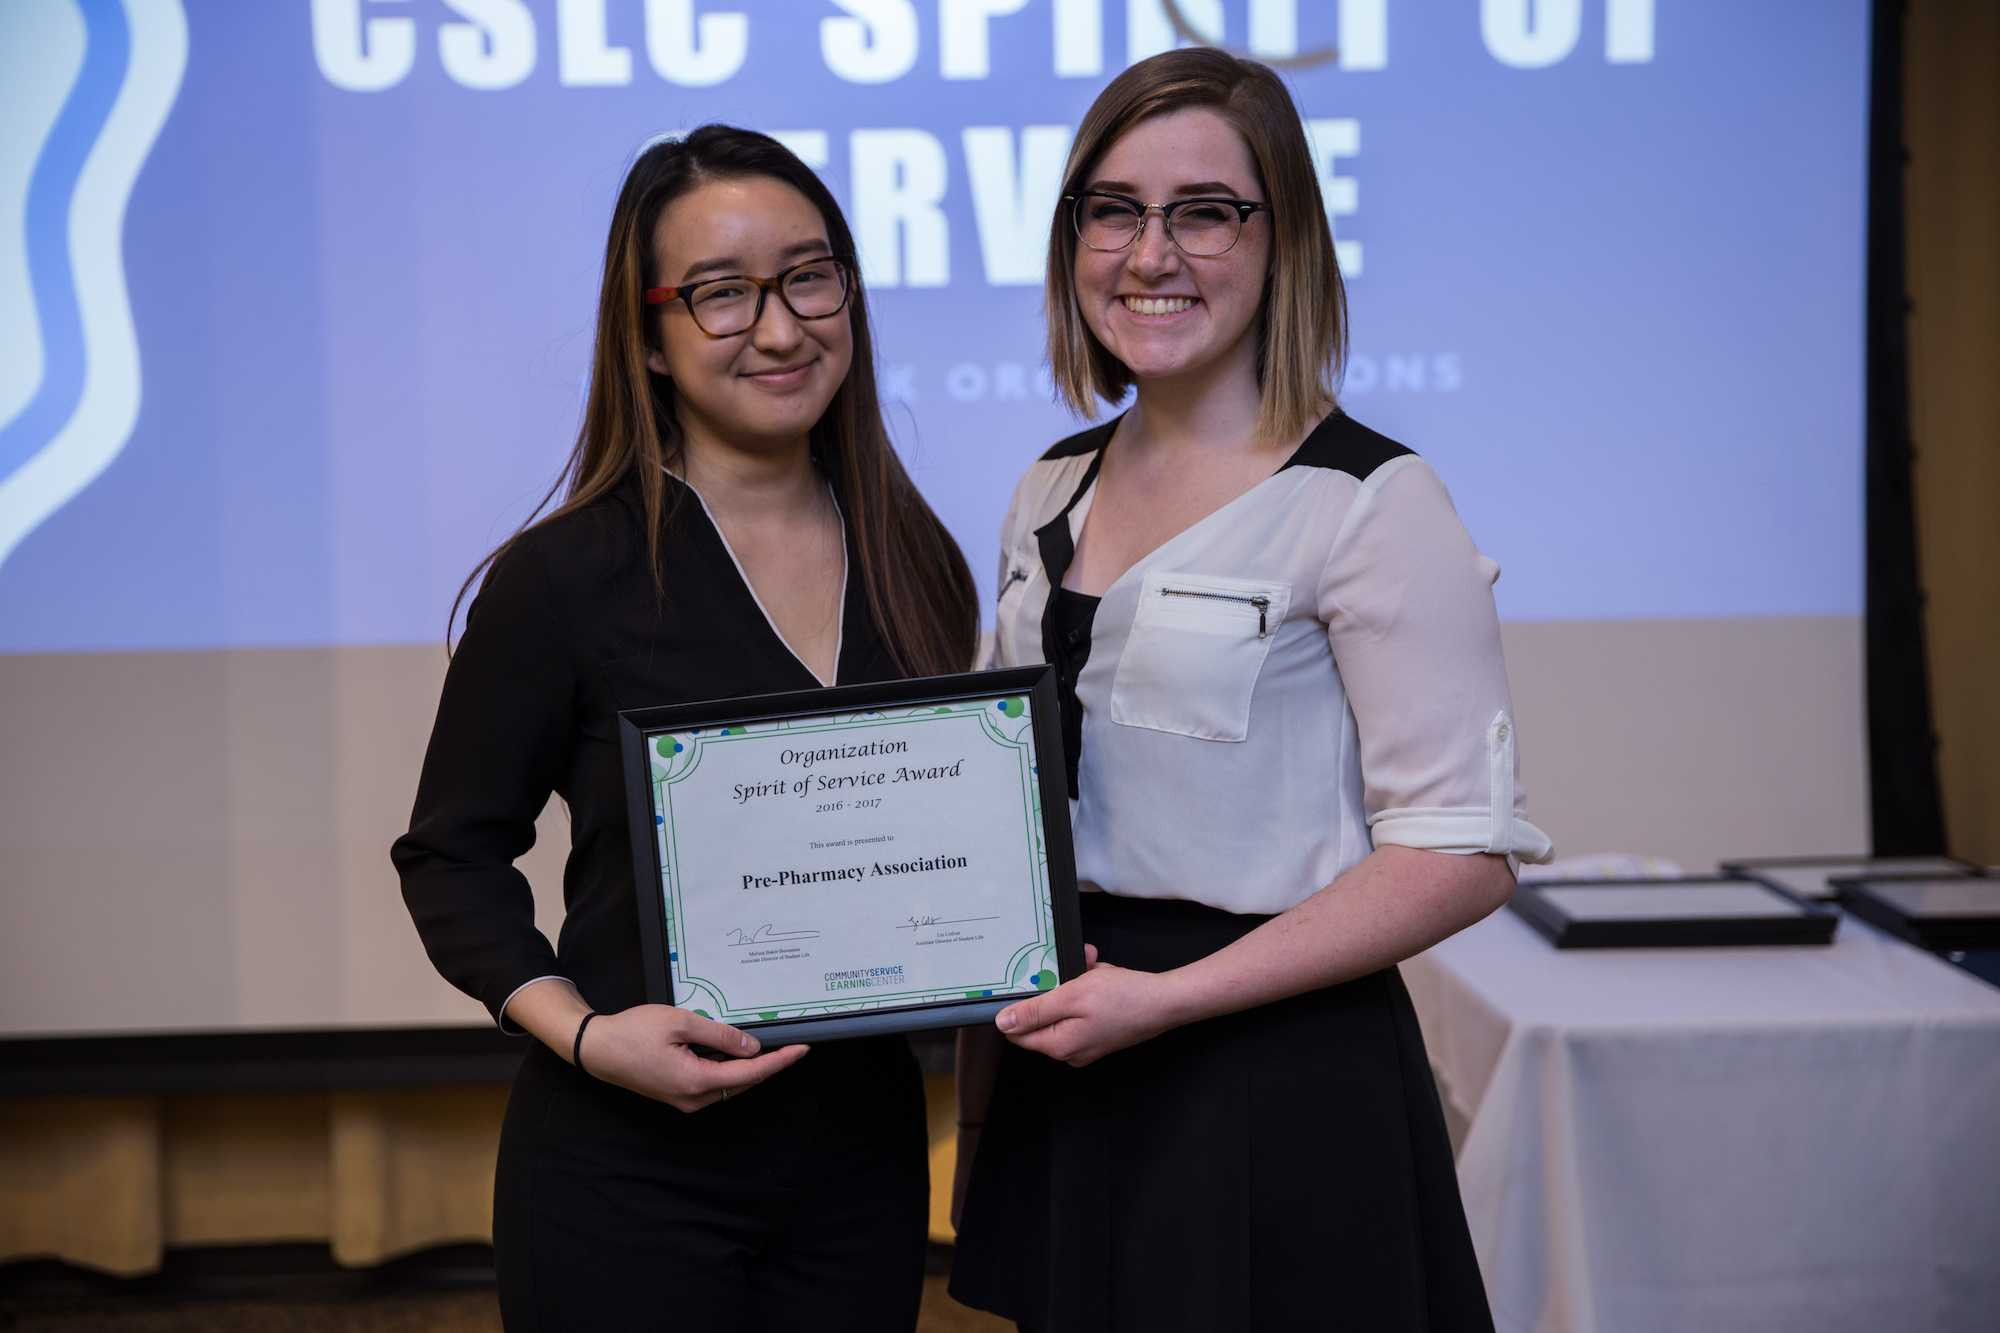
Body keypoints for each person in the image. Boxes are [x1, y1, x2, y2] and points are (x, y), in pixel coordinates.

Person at [948, 49, 1553, 1332]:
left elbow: (1460, 852)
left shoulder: (1373, 503)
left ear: (1282, 240)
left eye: (1203, 211)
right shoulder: (1045, 487)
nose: (1149, 253)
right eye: (1111, 210)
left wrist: (1168, 1001)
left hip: (1269, 1074)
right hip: (1071, 1051)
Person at [392, 125, 977, 1332]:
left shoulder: (918, 559)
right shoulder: (565, 578)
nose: (777, 327)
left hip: (859, 1166)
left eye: (808, 276)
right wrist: (589, 1035)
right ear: (648, 337)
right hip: (622, 1167)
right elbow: (451, 854)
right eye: (720, 294)